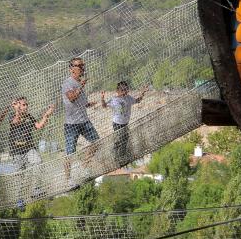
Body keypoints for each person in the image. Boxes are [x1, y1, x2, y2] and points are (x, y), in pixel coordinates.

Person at [62, 57, 99, 186]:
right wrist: (82, 86)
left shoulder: (79, 83)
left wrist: (89, 104)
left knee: (96, 142)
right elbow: (72, 98)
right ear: (72, 68)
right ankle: (68, 179)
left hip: (84, 121)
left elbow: (79, 102)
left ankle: (84, 167)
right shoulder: (68, 83)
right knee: (70, 153)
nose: (83, 68)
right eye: (80, 66)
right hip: (71, 124)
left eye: (83, 65)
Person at [101, 81, 148, 166]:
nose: (124, 92)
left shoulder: (128, 98)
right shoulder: (114, 99)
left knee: (123, 140)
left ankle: (115, 154)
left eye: (126, 90)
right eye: (122, 90)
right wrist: (102, 98)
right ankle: (119, 159)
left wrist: (143, 93)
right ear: (117, 91)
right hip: (117, 123)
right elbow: (104, 106)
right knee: (122, 140)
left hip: (125, 123)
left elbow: (137, 100)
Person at [9, 97, 55, 171]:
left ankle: (38, 181)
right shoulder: (12, 115)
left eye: (27, 104)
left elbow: (38, 126)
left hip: (29, 148)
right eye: (24, 105)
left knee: (38, 163)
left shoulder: (29, 116)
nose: (26, 107)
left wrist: (46, 115)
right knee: (20, 174)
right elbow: (15, 123)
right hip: (17, 151)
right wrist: (17, 110)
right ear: (18, 105)